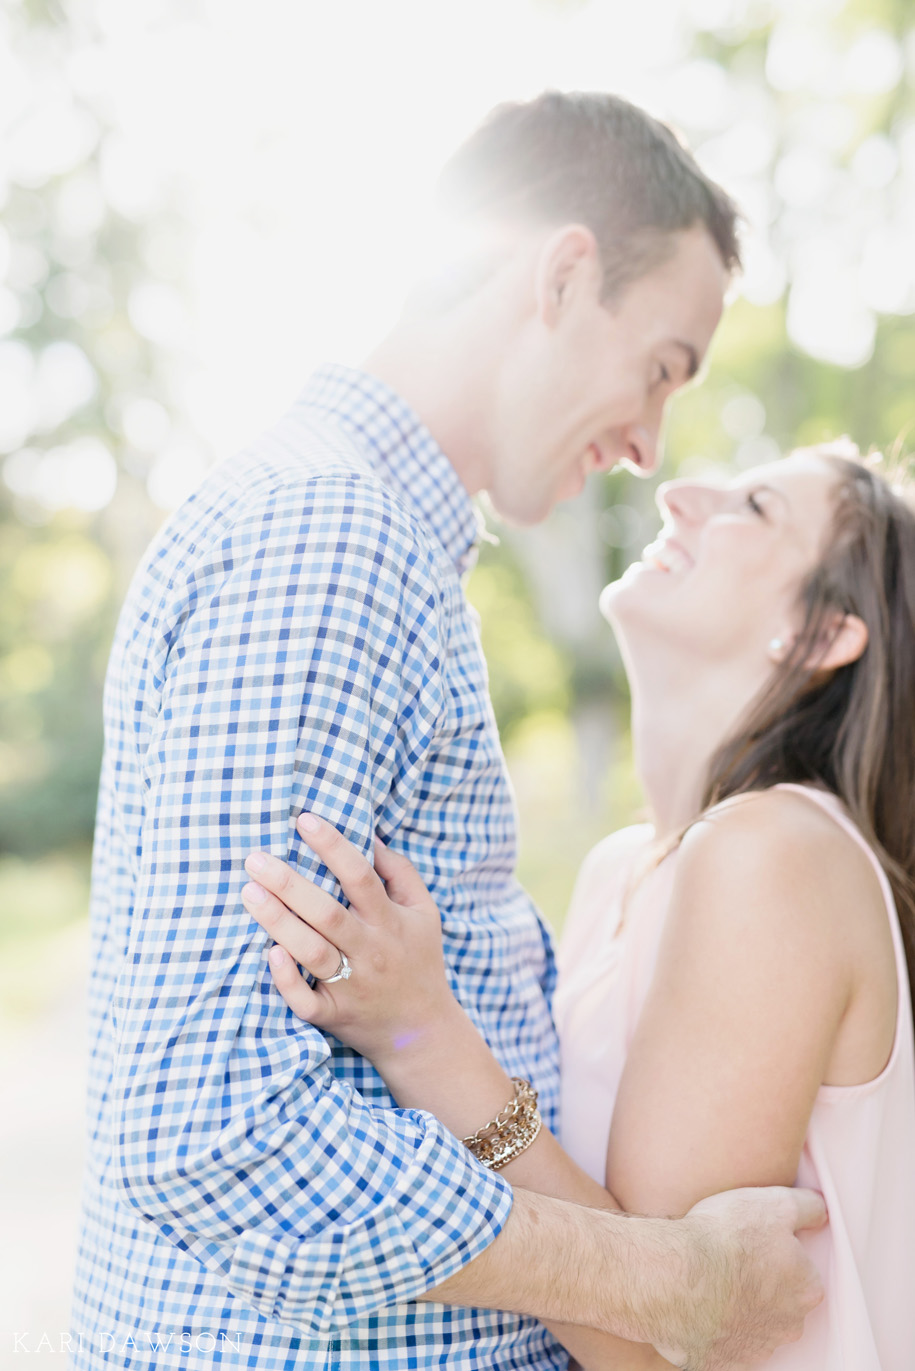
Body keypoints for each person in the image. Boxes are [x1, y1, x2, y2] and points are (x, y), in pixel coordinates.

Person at [70, 92, 824, 1371]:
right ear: (565, 272)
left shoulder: (368, 541)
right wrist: (666, 1279)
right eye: (660, 368)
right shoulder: (332, 538)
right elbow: (214, 1126)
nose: (649, 447)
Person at [245, 443, 915, 1369]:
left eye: (753, 505)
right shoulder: (623, 866)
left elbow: (656, 1346)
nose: (679, 493)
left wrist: (422, 1029)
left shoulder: (775, 856)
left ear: (824, 633)